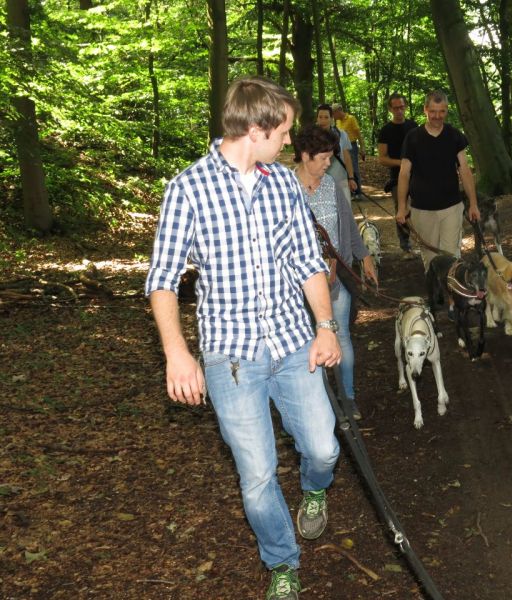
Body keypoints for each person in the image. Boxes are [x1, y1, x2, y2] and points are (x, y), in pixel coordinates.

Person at [145, 76, 341, 600]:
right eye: (284, 131)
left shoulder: (283, 185)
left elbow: (307, 261)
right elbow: (162, 279)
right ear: (256, 129)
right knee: (257, 477)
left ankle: (314, 489)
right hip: (231, 357)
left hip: (294, 342)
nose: (290, 141)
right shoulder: (188, 188)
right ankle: (283, 562)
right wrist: (176, 353)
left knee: (324, 450)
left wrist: (326, 327)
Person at [293, 124, 378, 420]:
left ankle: (347, 397)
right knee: (307, 343)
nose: (329, 163)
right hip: (299, 286)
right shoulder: (286, 188)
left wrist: (364, 256)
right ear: (306, 155)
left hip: (335, 279)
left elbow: (348, 224)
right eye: (324, 158)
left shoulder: (330, 184)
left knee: (341, 337)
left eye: (331, 157)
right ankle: (318, 402)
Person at [395, 90, 480, 273]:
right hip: (422, 209)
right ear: (425, 109)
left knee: (451, 258)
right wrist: (402, 206)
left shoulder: (454, 135)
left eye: (441, 111)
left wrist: (473, 204)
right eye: (433, 111)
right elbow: (404, 174)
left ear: (446, 110)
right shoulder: (413, 137)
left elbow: (464, 170)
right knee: (431, 260)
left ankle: (451, 291)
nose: (437, 116)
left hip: (451, 206)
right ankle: (435, 291)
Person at [378, 92, 418, 254]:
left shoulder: (413, 126)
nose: (399, 111)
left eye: (402, 107)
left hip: (417, 175)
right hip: (397, 177)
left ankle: (424, 242)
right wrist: (402, 163)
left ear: (406, 106)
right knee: (401, 209)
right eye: (396, 108)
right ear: (390, 109)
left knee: (421, 208)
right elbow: (382, 158)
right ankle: (406, 246)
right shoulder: (385, 130)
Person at [316, 104, 356, 203]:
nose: (323, 120)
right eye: (320, 117)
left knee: (344, 211)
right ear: (317, 118)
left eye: (326, 117)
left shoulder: (341, 135)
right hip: (319, 182)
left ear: (331, 119)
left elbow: (347, 158)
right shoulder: (311, 137)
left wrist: (351, 178)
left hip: (341, 180)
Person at [332, 102, 366, 199]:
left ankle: (358, 192)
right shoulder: (337, 122)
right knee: (344, 168)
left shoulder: (351, 118)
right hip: (341, 147)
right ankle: (351, 191)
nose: (333, 115)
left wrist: (362, 147)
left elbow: (358, 134)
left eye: (333, 113)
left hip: (352, 145)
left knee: (354, 168)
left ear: (339, 111)